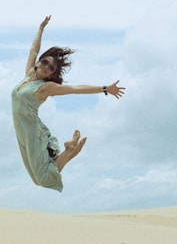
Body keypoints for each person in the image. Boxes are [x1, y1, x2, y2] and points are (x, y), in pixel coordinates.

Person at [11, 15, 125, 192]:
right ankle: (70, 150)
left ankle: (69, 151)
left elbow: (75, 89)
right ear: (40, 60)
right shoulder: (28, 76)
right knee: (38, 178)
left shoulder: (45, 87)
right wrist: (41, 29)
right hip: (22, 131)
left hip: (32, 131)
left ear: (51, 75)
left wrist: (105, 88)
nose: (46, 67)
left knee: (43, 178)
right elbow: (33, 50)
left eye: (51, 68)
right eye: (45, 62)